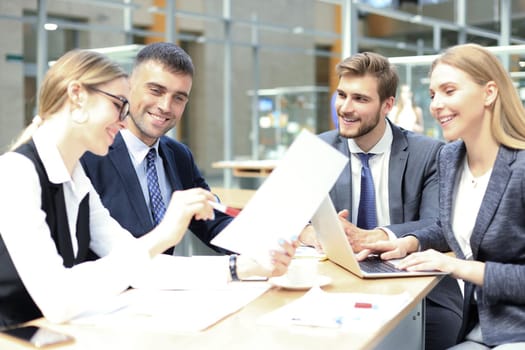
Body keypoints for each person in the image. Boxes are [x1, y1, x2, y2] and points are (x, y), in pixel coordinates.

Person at [0, 49, 296, 328]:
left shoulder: (75, 175)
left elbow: (141, 267)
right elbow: (58, 300)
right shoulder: (16, 172)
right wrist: (163, 235)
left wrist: (242, 267)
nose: (122, 119)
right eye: (118, 104)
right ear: (76, 95)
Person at [359, 44, 525, 349]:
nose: (436, 105)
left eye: (449, 91)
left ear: (489, 93)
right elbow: (460, 227)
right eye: (434, 94)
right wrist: (407, 243)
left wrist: (457, 267)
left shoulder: (521, 167)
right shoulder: (451, 158)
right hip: (480, 329)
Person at [300, 51, 463, 350]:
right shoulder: (318, 149)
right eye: (341, 95)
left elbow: (440, 226)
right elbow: (285, 218)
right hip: (335, 288)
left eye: (360, 99)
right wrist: (315, 234)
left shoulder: (430, 154)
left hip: (420, 293)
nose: (345, 108)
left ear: (388, 105)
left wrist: (377, 237)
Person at [80, 42, 230, 255]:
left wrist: (265, 244)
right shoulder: (90, 155)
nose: (165, 106)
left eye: (178, 98)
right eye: (156, 91)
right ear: (129, 87)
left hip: (164, 285)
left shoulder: (179, 155)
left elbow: (212, 220)